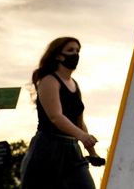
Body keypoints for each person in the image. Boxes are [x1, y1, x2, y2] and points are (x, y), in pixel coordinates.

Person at [20, 36, 102, 189]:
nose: (75, 54)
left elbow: (79, 121)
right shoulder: (49, 80)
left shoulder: (74, 84)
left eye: (77, 51)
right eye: (70, 50)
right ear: (58, 55)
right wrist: (81, 135)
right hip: (48, 148)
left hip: (72, 150)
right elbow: (55, 116)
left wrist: (92, 152)